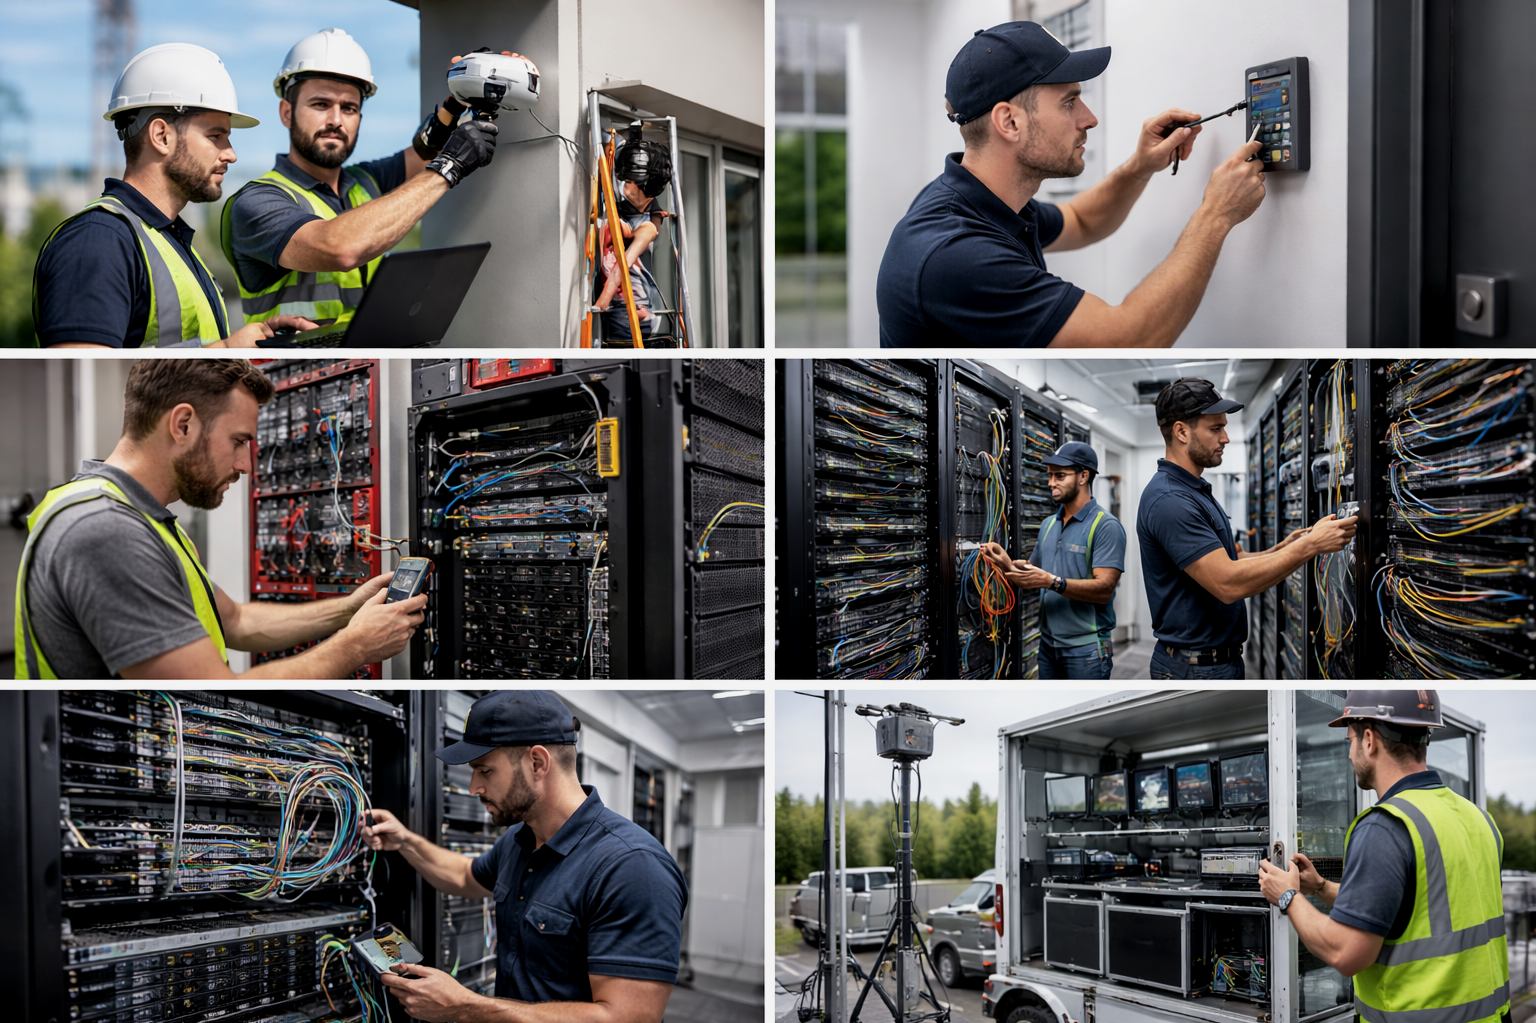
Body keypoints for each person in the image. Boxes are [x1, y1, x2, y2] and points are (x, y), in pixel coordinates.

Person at [13, 359, 424, 679]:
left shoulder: (135, 516)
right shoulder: (106, 529)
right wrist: (355, 646)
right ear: (184, 425)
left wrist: (347, 611)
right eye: (238, 441)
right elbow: (209, 684)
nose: (246, 465)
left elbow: (234, 620)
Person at [877, 21, 1268, 348]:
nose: (1090, 118)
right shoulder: (957, 254)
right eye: (1069, 102)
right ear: (1009, 122)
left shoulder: (981, 200)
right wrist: (1216, 214)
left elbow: (1082, 220)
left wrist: (1139, 167)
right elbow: (1131, 339)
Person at [361, 690, 687, 1023]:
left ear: (537, 763)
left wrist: (465, 1006)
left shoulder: (632, 866)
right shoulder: (519, 842)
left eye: (484, 771)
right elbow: (463, 876)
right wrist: (405, 841)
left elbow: (627, 1018)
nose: (473, 787)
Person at [32, 43, 320, 348]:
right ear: (161, 136)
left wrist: (252, 338)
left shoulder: (168, 241)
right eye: (215, 136)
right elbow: (84, 371)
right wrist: (226, 349)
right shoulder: (99, 241)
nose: (231, 154)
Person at [221, 29, 502, 330]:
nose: (336, 120)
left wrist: (459, 100)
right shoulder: (256, 202)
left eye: (349, 108)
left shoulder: (364, 182)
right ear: (287, 113)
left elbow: (423, 151)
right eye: (320, 104)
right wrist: (448, 168)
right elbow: (340, 248)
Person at [1258, 690, 1510, 1023]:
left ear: (1369, 740)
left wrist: (1287, 896)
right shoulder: (1478, 818)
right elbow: (1407, 909)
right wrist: (1319, 887)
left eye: (1349, 740)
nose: (1349, 754)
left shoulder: (1385, 826)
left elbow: (1346, 952)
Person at [1136, 378, 1356, 679]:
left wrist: (1285, 547)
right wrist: (1311, 546)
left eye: (1223, 427)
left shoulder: (1193, 490)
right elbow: (1228, 584)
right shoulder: (1170, 500)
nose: (1225, 437)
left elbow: (1232, 559)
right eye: (1215, 429)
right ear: (1181, 431)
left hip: (1213, 661)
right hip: (1195, 667)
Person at [981, 441, 1125, 678]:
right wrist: (1005, 562)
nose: (1051, 483)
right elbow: (1032, 576)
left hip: (1086, 649)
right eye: (1050, 476)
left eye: (1060, 476)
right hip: (1048, 645)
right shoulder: (1049, 525)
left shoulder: (1105, 526)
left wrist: (1052, 581)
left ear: (1083, 477)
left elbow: (1104, 589)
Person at [594, 125, 674, 343]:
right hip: (625, 307)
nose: (624, 184)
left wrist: (600, 304)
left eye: (630, 181)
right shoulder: (632, 202)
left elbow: (623, 263)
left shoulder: (649, 226)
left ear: (643, 188)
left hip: (633, 311)